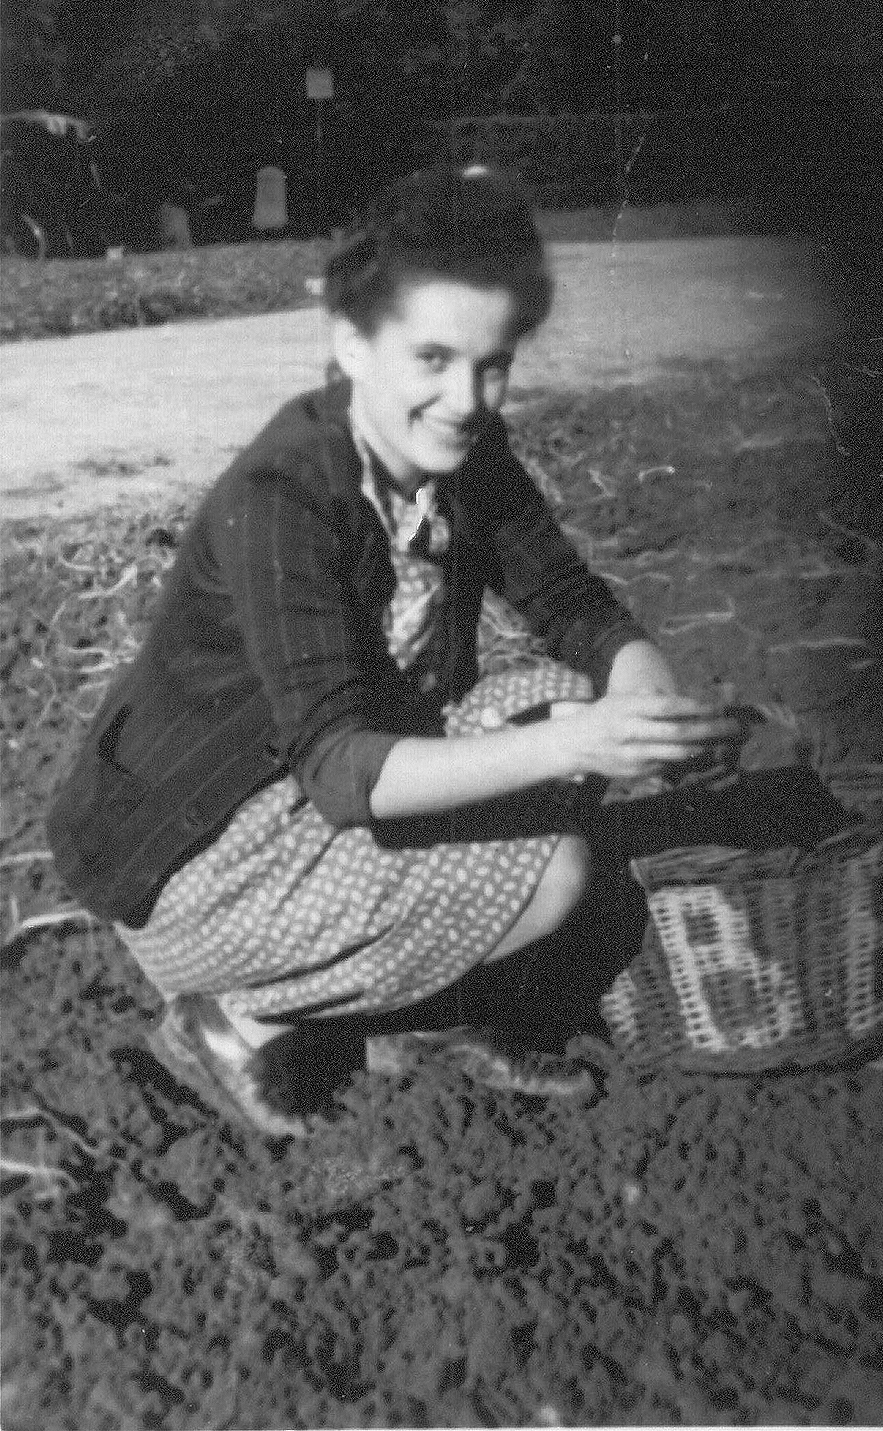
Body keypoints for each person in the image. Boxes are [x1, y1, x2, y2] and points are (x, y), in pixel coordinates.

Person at [46, 166, 746, 1138]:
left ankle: (408, 1019)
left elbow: (567, 598)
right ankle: (230, 1018)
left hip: (301, 784)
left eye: (493, 363)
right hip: (194, 855)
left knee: (552, 696)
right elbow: (340, 771)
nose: (464, 398)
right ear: (351, 344)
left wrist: (646, 698)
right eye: (430, 358)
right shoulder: (286, 495)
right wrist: (580, 744)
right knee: (554, 867)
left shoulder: (462, 452)